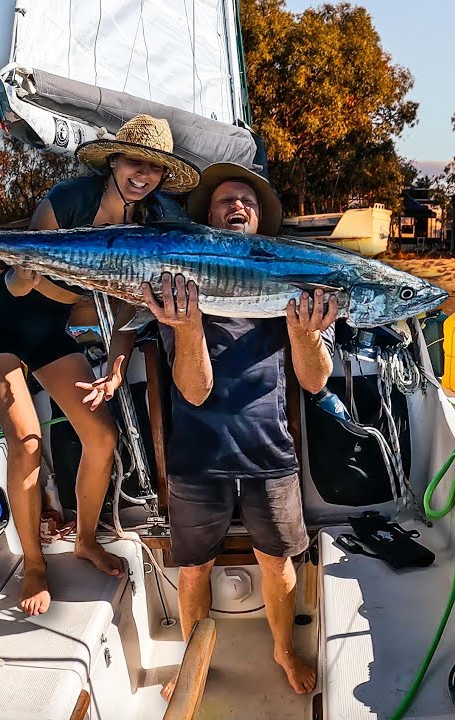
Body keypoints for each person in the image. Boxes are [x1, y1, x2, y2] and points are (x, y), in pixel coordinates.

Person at [0, 115, 200, 615]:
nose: (143, 174)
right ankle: (33, 565)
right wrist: (22, 273)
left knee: (102, 436)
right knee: (26, 441)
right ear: (113, 160)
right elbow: (19, 285)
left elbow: (125, 310)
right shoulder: (68, 200)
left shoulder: (143, 228)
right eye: (134, 161)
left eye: (155, 169)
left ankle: (86, 541)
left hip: (49, 332)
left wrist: (116, 367)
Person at [143, 163, 334, 696]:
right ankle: (192, 662)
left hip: (268, 452)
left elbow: (314, 383)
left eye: (247, 202)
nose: (238, 207)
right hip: (197, 456)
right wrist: (188, 325)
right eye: (227, 200)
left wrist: (307, 335)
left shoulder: (284, 282)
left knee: (278, 563)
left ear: (258, 221)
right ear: (208, 217)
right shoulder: (180, 286)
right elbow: (196, 391)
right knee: (193, 571)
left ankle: (283, 648)